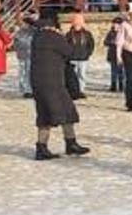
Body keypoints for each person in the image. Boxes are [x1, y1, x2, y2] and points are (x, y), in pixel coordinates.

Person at [28, 14, 89, 161]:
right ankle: (70, 143)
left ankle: (41, 147)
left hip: (38, 81)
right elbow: (72, 53)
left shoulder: (37, 37)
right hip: (53, 81)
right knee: (67, 111)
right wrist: (85, 50)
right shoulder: (54, 37)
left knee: (44, 113)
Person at [65, 13, 94, 99]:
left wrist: (88, 53)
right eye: (76, 23)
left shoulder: (87, 34)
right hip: (72, 58)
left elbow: (91, 45)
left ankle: (81, 90)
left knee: (82, 75)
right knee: (72, 76)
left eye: (79, 23)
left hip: (83, 58)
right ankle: (73, 90)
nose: (77, 25)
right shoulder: (69, 34)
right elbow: (65, 45)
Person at [12, 15, 36, 98]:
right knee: (22, 72)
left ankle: (30, 89)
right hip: (22, 55)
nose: (23, 25)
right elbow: (16, 42)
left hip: (31, 55)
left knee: (29, 72)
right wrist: (17, 49)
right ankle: (24, 89)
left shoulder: (34, 32)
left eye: (24, 23)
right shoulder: (19, 32)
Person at [104, 15, 124, 92]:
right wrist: (112, 42)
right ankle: (113, 85)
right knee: (113, 71)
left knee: (121, 71)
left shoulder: (123, 33)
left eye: (116, 24)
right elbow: (105, 42)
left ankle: (121, 85)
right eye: (114, 23)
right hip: (112, 54)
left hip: (121, 55)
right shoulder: (111, 33)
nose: (115, 25)